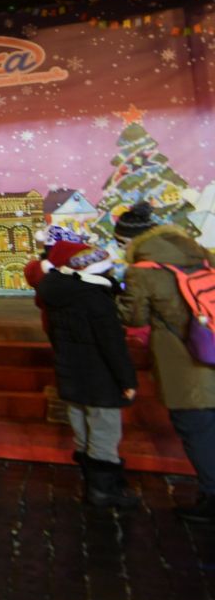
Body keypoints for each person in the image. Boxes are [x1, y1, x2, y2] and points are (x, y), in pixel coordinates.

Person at [118, 213, 215, 523]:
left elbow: (134, 317)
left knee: (197, 429)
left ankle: (212, 498)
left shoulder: (143, 271)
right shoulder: (204, 258)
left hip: (187, 364)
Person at [40, 241, 140, 508]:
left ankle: (92, 484)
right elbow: (112, 344)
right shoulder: (94, 297)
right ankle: (104, 490)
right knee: (104, 432)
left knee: (82, 428)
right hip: (100, 376)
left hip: (71, 372)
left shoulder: (56, 293)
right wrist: (127, 380)